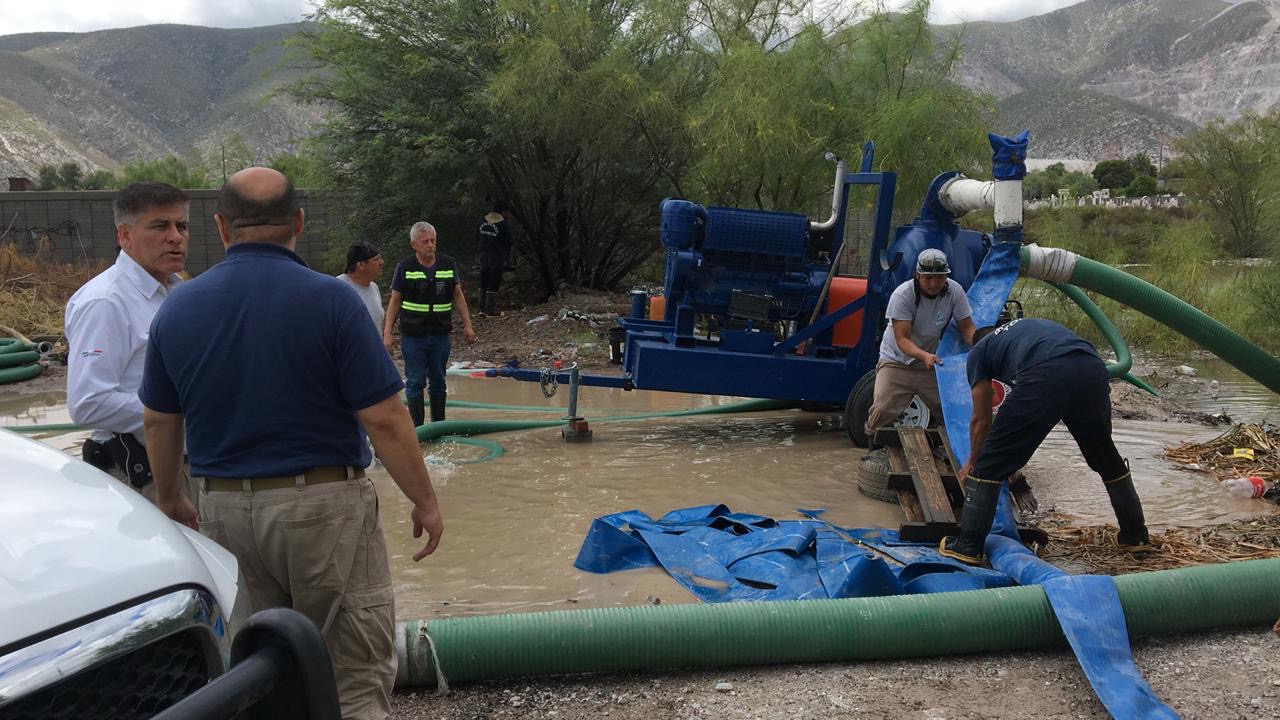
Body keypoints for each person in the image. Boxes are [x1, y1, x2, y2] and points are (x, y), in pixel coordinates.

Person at [140, 167, 444, 720]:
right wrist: (423, 499)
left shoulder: (178, 307)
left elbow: (160, 420)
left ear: (221, 227)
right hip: (324, 507)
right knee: (352, 666)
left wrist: (169, 497)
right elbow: (386, 418)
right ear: (299, 222)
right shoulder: (333, 301)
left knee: (260, 666)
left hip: (225, 509)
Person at [939, 317, 1153, 565]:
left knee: (989, 465)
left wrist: (973, 462)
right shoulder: (1027, 328)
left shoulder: (979, 350)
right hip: (1091, 367)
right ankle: (1136, 537)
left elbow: (981, 419)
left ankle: (968, 545)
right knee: (1106, 458)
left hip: (1045, 372)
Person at [65, 181, 192, 502]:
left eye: (182, 225)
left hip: (185, 465)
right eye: (160, 226)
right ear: (125, 236)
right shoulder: (106, 302)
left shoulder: (177, 293)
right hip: (139, 476)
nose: (176, 236)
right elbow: (88, 402)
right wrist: (177, 414)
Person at [864, 248, 976, 442]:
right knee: (881, 409)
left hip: (929, 364)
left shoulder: (955, 291)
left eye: (939, 278)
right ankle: (872, 445)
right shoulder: (902, 295)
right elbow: (902, 340)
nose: (934, 284)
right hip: (896, 361)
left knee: (951, 409)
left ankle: (955, 449)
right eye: (928, 278)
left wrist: (981, 346)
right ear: (917, 275)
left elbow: (967, 328)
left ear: (946, 276)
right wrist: (924, 356)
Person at [383, 221, 476, 426]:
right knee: (415, 382)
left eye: (433, 240)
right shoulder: (405, 267)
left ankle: (438, 427)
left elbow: (458, 296)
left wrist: (468, 325)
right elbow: (395, 301)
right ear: (414, 244)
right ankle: (418, 431)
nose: (430, 245)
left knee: (438, 381)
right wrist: (387, 333)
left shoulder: (448, 264)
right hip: (413, 336)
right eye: (425, 241)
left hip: (440, 334)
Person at [475, 200, 513, 317]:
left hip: (483, 254)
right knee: (494, 279)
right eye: (508, 212)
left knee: (483, 278)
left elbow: (476, 236)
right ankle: (491, 309)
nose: (509, 215)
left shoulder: (481, 221)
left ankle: (481, 307)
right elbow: (509, 241)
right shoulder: (503, 224)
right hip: (497, 255)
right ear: (503, 212)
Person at [338, 241, 385, 331]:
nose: (381, 262)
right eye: (376, 260)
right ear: (361, 265)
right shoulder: (337, 287)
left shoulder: (374, 287)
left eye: (380, 258)